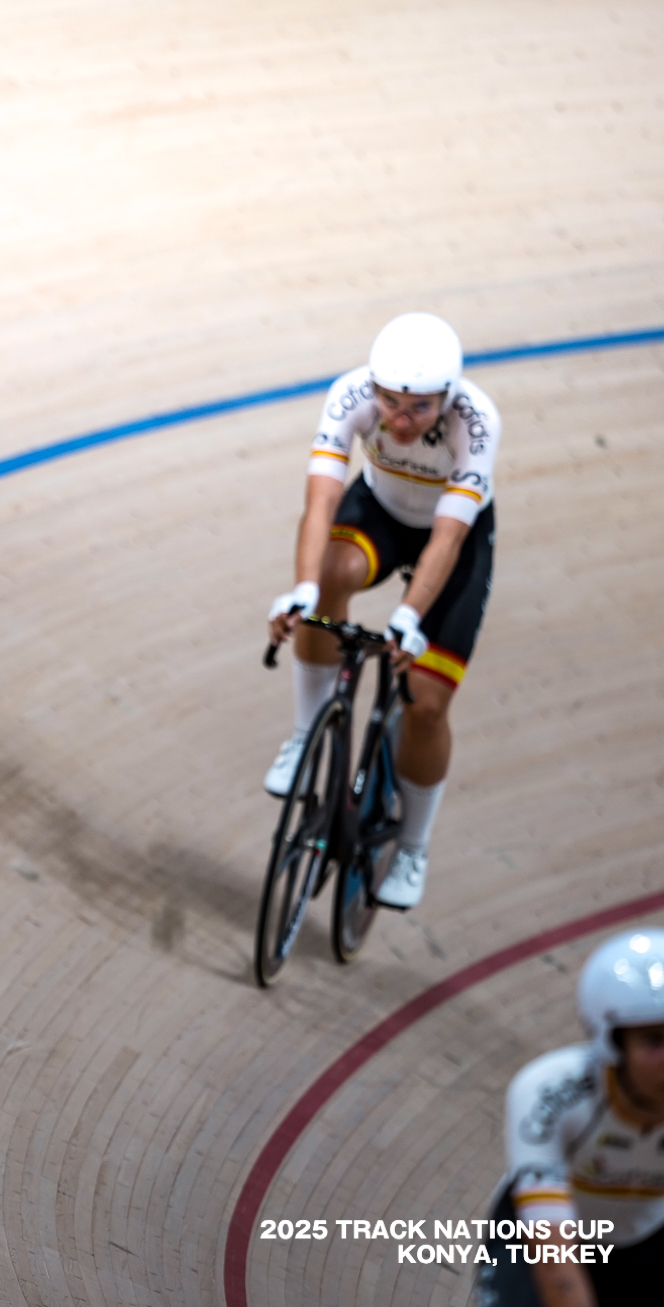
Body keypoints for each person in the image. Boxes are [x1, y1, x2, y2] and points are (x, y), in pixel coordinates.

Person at [264, 312, 499, 909]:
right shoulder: (350, 396)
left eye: (416, 408)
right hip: (381, 513)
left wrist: (409, 615)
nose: (397, 419)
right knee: (329, 581)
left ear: (446, 398)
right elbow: (320, 503)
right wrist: (303, 590)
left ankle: (414, 847)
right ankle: (303, 737)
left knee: (425, 703)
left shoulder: (476, 422)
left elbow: (446, 540)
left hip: (454, 537)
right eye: (389, 400)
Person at [474, 927, 664, 1307]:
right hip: (535, 1236)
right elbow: (552, 1252)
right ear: (612, 1044)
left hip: (645, 1241)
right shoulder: (551, 1093)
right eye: (654, 1041)